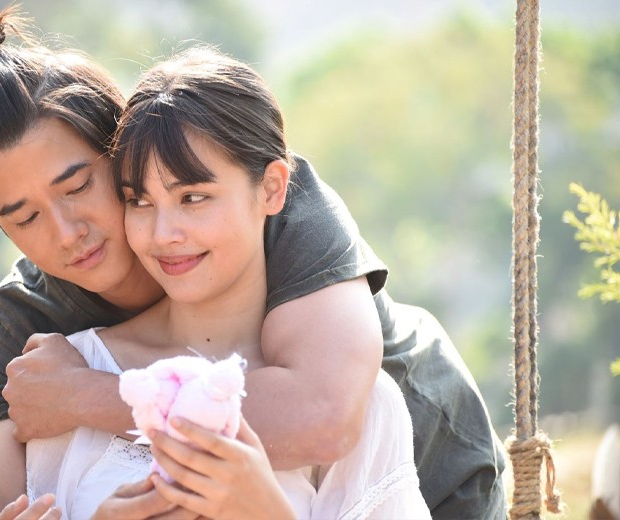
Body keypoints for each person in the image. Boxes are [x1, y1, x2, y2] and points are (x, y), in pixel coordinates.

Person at [0, 7, 505, 519]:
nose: (67, 233)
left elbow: (322, 418)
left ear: (122, 150)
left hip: (435, 460)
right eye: (25, 218)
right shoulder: (16, 325)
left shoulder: (279, 206)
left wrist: (88, 395)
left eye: (78, 186)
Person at [24, 46, 429, 518]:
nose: (162, 234)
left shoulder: (361, 403)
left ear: (272, 189)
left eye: (193, 197)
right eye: (140, 201)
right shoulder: (65, 377)